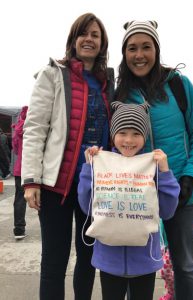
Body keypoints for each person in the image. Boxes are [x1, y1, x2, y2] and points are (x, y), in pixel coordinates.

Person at [115, 20, 193, 300]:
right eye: (132, 48)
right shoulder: (121, 93)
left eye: (146, 47)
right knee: (137, 268)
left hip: (182, 191)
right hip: (138, 196)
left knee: (184, 266)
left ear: (156, 50)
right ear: (125, 53)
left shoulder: (179, 86)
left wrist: (190, 178)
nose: (139, 54)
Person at [21, 13, 111, 300]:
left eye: (95, 35)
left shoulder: (107, 83)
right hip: (55, 185)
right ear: (73, 40)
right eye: (83, 33)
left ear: (102, 43)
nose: (89, 39)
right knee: (54, 262)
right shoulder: (52, 75)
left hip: (94, 186)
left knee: (88, 260)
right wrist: (31, 180)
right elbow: (34, 128)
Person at [78, 102, 180, 300]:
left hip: (145, 261)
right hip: (109, 261)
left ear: (145, 136)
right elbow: (87, 207)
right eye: (122, 132)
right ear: (113, 135)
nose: (128, 140)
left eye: (136, 133)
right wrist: (89, 169)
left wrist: (165, 173)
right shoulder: (102, 164)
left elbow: (167, 211)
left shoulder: (152, 166)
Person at [159, 207, 193, 300]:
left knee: (167, 270)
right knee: (168, 271)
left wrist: (191, 233)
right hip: (165, 244)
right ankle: (171, 291)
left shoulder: (189, 203)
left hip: (178, 241)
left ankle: (172, 292)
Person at [11, 106, 28, 240]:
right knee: (44, 198)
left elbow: (15, 149)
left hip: (20, 168)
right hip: (37, 167)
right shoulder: (37, 124)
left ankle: (19, 229)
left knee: (20, 199)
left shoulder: (17, 129)